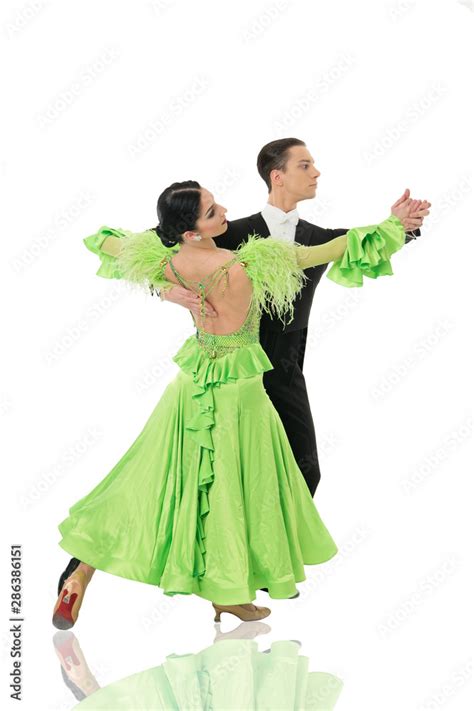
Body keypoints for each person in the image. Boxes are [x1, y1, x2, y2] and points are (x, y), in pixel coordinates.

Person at [52, 179, 422, 629]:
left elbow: (106, 241)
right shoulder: (248, 264)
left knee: (153, 480)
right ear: (191, 231)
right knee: (239, 496)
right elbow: (325, 252)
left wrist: (163, 286)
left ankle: (85, 567)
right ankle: (226, 591)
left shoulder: (169, 261)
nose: (223, 210)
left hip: (192, 385)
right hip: (242, 393)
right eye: (211, 211)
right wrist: (393, 226)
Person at [157, 139, 431, 498]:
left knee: (305, 469)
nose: (315, 172)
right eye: (304, 165)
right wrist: (165, 291)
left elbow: (360, 243)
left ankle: (277, 547)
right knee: (217, 469)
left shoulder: (315, 237)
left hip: (286, 361)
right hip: (229, 367)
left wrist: (401, 225)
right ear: (278, 176)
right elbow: (158, 247)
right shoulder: (228, 231)